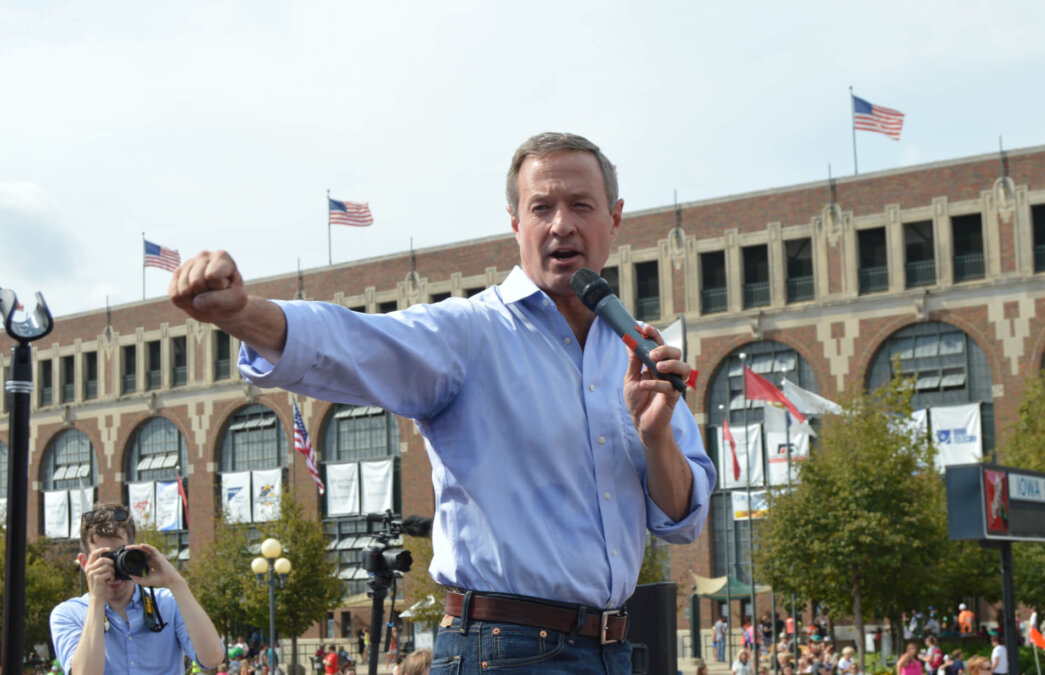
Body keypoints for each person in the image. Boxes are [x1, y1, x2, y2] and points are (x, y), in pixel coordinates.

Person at [169, 131, 715, 673]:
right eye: (541, 207)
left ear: (614, 218)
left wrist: (655, 437)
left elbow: (681, 522)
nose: (560, 224)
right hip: (504, 651)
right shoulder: (471, 334)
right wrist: (242, 313)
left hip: (614, 650)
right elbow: (355, 343)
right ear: (515, 223)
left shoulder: (639, 352)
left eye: (580, 205)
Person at [49, 503, 225, 675]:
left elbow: (213, 659)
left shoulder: (168, 603)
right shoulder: (68, 614)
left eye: (120, 556)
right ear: (84, 563)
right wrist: (96, 600)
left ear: (135, 553)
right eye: (103, 559)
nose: (113, 570)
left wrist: (176, 582)